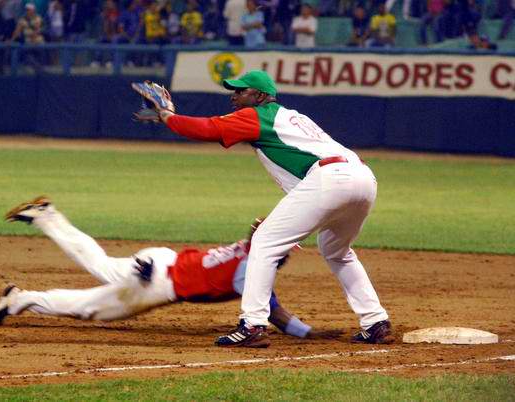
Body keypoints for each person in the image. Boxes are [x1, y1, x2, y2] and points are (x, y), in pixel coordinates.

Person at [133, 70, 392, 348]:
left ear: (258, 96)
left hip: (331, 179)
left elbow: (207, 129)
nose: (234, 96)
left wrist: (168, 116)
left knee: (264, 242)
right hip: (363, 178)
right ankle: (375, 321)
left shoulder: (258, 115)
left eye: (241, 91)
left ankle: (252, 325)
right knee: (336, 249)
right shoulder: (291, 117)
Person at [0, 196, 329, 344]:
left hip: (162, 260)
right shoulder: (254, 268)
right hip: (158, 283)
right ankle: (21, 295)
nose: (286, 255)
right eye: (285, 249)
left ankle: (21, 288)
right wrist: (310, 334)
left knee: (101, 266)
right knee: (88, 306)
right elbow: (275, 314)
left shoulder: (251, 252)